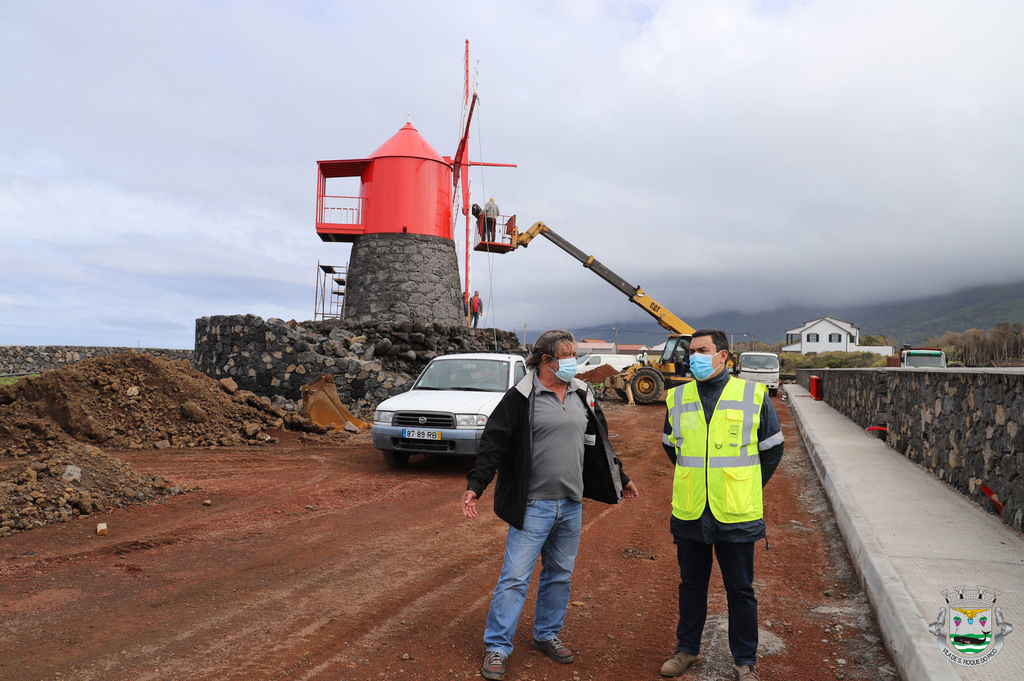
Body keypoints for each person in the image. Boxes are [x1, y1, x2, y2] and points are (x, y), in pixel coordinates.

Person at [462, 329, 639, 681]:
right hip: (533, 506)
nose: (574, 362)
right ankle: (497, 647)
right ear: (546, 360)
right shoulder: (520, 397)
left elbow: (601, 442)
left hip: (571, 505)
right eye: (567, 356)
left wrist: (622, 476)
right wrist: (475, 486)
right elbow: (493, 443)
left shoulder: (582, 393)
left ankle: (546, 634)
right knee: (514, 577)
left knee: (559, 575)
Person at [659, 329, 784, 681]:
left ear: (723, 356)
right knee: (691, 585)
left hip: (736, 513)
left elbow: (772, 449)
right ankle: (687, 651)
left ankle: (745, 660)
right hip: (691, 510)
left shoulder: (752, 395)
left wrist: (743, 485)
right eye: (691, 351)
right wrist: (700, 481)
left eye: (702, 350)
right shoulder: (677, 397)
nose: (693, 357)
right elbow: (672, 446)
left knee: (740, 590)